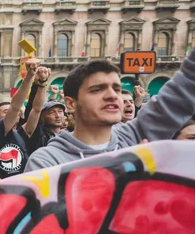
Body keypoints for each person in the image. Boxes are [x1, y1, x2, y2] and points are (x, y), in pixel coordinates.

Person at [25, 58, 195, 171]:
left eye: (117, 89)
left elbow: (185, 87)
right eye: (97, 89)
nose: (113, 96)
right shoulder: (46, 162)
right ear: (70, 103)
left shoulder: (135, 137)